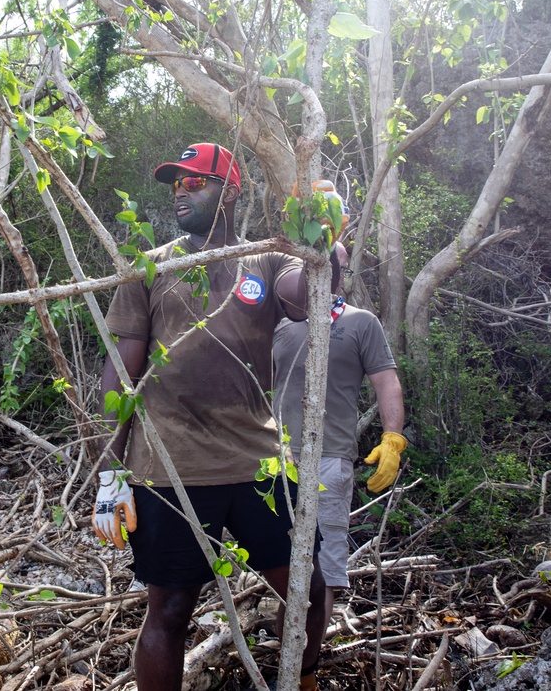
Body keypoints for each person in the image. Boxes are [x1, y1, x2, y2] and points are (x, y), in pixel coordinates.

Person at [92, 143, 330, 690]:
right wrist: (109, 473)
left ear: (230, 191)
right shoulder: (152, 269)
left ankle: (303, 677)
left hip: (259, 464)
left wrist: (324, 241)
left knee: (308, 590)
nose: (181, 192)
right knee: (170, 611)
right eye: (176, 184)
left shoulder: (267, 260)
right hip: (170, 468)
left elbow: (306, 294)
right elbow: (119, 377)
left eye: (195, 183)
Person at [272, 243, 405, 624]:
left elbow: (387, 383)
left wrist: (392, 439)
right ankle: (284, 655)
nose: (333, 273)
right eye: (325, 264)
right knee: (278, 565)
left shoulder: (361, 322)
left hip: (330, 462)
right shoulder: (281, 324)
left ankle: (307, 667)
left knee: (323, 572)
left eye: (339, 266)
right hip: (274, 463)